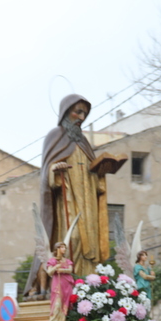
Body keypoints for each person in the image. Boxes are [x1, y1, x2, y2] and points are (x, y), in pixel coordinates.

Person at [40, 94, 117, 279]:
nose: (82, 118)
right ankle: (70, 280)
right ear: (66, 112)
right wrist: (54, 170)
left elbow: (95, 175)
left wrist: (101, 173)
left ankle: (88, 284)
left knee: (91, 241)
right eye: (78, 112)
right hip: (69, 199)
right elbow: (46, 171)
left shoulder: (84, 142)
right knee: (73, 238)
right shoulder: (54, 136)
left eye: (85, 114)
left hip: (89, 203)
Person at [45, 242, 76, 321]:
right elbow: (49, 272)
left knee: (67, 303)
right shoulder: (53, 260)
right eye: (62, 247)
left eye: (64, 247)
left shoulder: (67, 260)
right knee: (57, 303)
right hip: (58, 284)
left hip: (67, 283)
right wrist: (55, 267)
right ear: (57, 249)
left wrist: (61, 269)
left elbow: (70, 270)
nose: (64, 249)